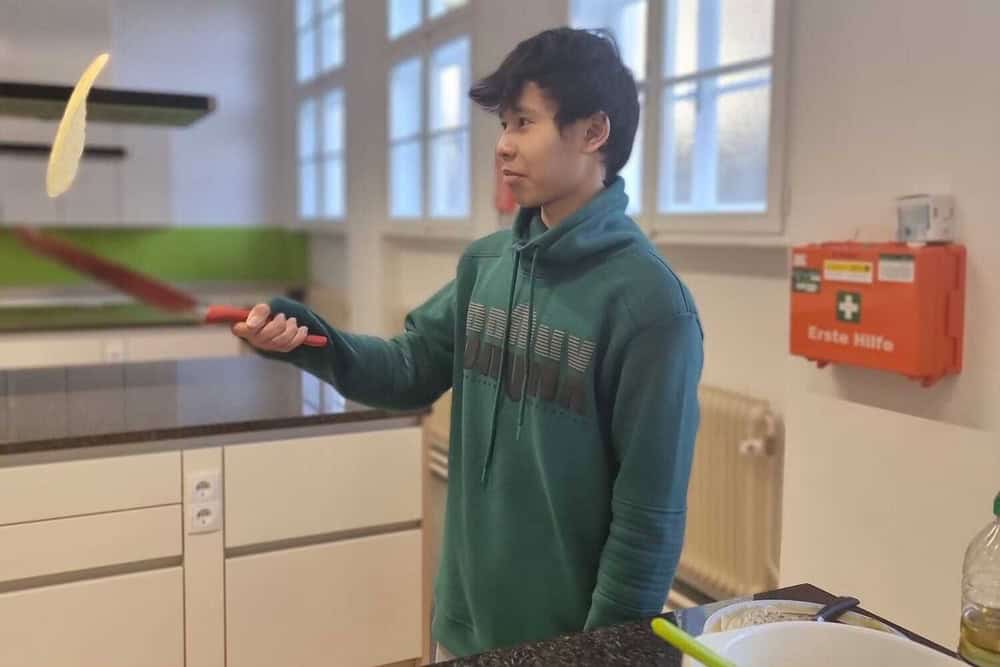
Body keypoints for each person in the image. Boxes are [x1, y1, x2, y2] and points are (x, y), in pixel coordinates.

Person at [234, 26, 704, 661]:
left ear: (594, 132)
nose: (503, 145)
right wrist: (304, 336)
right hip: (461, 625)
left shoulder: (651, 306)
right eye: (504, 124)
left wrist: (601, 653)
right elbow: (408, 369)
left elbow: (649, 519)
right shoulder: (486, 264)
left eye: (524, 122)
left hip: (567, 646)